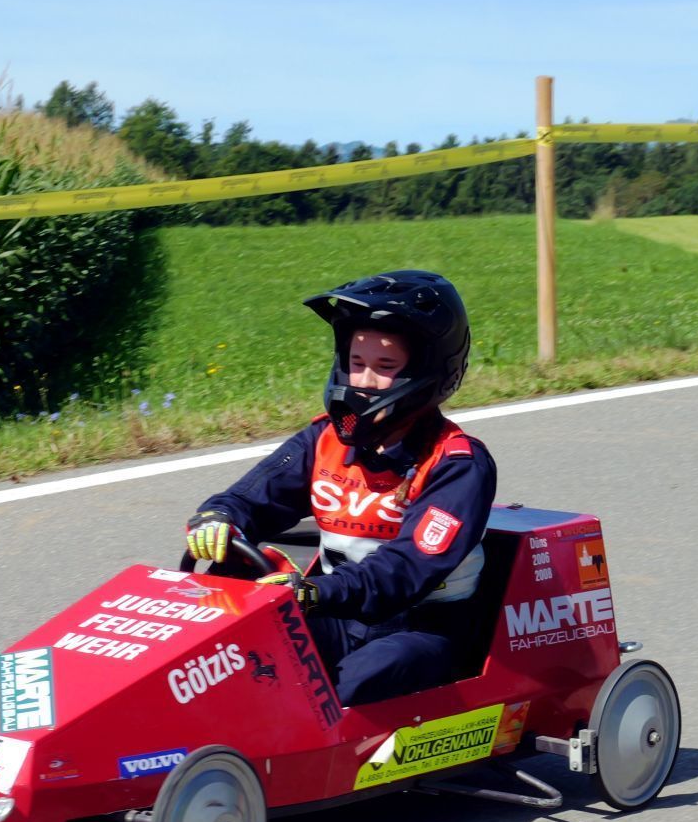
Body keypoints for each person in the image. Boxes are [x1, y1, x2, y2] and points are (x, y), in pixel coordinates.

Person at [183, 270, 497, 706]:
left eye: (384, 367)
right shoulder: (322, 440)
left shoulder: (458, 465)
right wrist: (220, 519)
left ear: (428, 371)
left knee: (340, 697)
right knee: (226, 647)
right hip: (336, 615)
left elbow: (404, 571)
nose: (364, 381)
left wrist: (316, 592)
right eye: (356, 363)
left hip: (422, 630)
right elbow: (252, 497)